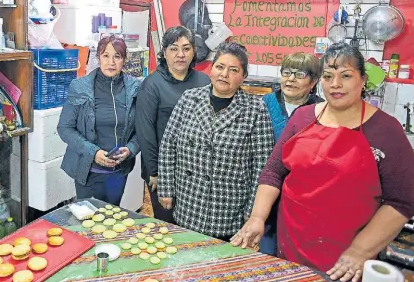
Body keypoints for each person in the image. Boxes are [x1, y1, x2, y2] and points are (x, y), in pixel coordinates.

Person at [231, 43, 414, 282]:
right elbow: (273, 172)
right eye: (328, 76)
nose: (335, 84)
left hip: (346, 257)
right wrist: (257, 217)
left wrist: (360, 250)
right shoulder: (303, 117)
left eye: (346, 76)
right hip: (291, 244)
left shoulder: (386, 130)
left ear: (363, 79)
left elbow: (401, 201)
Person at [157, 42, 275, 240]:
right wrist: (166, 188)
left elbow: (262, 167)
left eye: (233, 70)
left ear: (243, 76)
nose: (224, 74)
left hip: (228, 208)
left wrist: (253, 210)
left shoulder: (255, 109)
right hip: (189, 200)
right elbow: (169, 145)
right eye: (220, 67)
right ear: (211, 69)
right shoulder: (189, 99)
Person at [136, 26, 210, 223]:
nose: (180, 55)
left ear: (194, 51)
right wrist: (154, 171)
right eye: (174, 48)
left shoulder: (204, 81)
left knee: (192, 223)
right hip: (162, 169)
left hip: (194, 170)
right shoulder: (152, 84)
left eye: (186, 48)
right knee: (167, 223)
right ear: (164, 52)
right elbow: (145, 130)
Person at [57, 35, 141, 205]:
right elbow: (65, 128)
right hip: (88, 172)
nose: (111, 62)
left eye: (117, 56)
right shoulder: (79, 87)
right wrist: (93, 152)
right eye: (106, 55)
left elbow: (142, 129)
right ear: (98, 57)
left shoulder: (135, 88)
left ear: (124, 60)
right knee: (88, 222)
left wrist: (131, 149)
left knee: (112, 218)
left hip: (118, 172)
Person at [259, 53, 323, 256]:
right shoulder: (263, 103)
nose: (291, 79)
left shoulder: (322, 110)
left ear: (313, 81)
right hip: (263, 191)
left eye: (300, 74)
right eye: (286, 72)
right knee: (264, 251)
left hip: (301, 196)